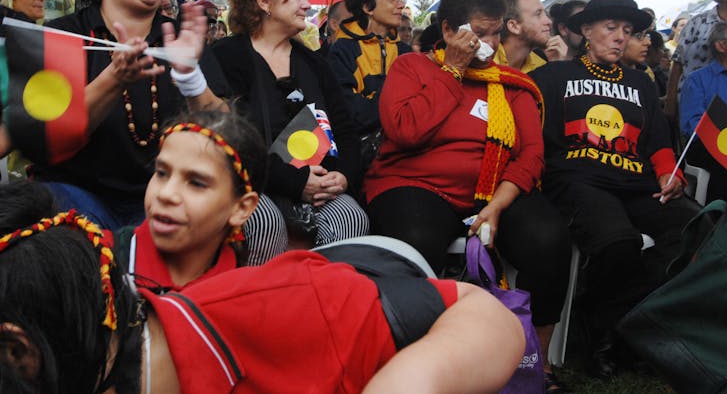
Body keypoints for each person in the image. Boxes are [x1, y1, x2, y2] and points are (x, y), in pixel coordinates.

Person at [0, 182, 525, 394]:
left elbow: (482, 313)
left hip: (376, 281)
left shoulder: (288, 309)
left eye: (198, 181)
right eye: (162, 173)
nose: (169, 197)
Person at [364, 0, 573, 391]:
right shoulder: (414, 67)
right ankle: (417, 359)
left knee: (549, 238)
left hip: (496, 190)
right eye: (479, 33)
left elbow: (530, 155)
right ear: (448, 31)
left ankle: (536, 360)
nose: (490, 43)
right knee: (415, 237)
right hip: (418, 184)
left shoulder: (512, 84)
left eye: (496, 32)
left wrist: (498, 203)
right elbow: (406, 132)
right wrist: (453, 72)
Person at [530, 0, 704, 379]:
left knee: (696, 227)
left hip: (636, 183)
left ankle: (636, 323)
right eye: (610, 29)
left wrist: (668, 172)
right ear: (586, 32)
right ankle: (605, 336)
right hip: (578, 180)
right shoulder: (552, 76)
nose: (620, 38)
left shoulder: (640, 83)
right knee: (618, 243)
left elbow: (657, 140)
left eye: (626, 31)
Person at [26, 0, 229, 232]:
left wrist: (191, 79)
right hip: (75, 194)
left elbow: (227, 130)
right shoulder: (65, 34)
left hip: (167, 195)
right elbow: (50, 139)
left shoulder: (182, 38)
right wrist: (115, 77)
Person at [212, 0, 368, 263]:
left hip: (318, 184)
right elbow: (228, 142)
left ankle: (320, 303)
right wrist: (295, 182)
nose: (307, 5)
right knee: (263, 223)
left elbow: (346, 130)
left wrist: (344, 177)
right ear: (264, 1)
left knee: (352, 217)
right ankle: (258, 307)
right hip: (249, 182)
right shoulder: (227, 57)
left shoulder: (314, 63)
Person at [119, 108, 266, 288]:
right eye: (161, 173)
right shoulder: (101, 267)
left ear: (241, 208)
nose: (165, 194)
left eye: (197, 183)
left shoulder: (240, 298)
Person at [328, 0, 411, 142]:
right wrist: (397, 103)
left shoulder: (405, 52)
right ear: (367, 7)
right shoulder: (343, 51)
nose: (401, 4)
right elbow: (354, 114)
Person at [680, 20, 727, 203]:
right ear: (721, 46)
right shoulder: (697, 80)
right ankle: (723, 221)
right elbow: (691, 125)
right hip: (711, 146)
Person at [496, 0, 567, 72]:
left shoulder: (540, 66)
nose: (549, 21)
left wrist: (556, 67)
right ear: (514, 26)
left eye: (545, 14)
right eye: (538, 14)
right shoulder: (483, 61)